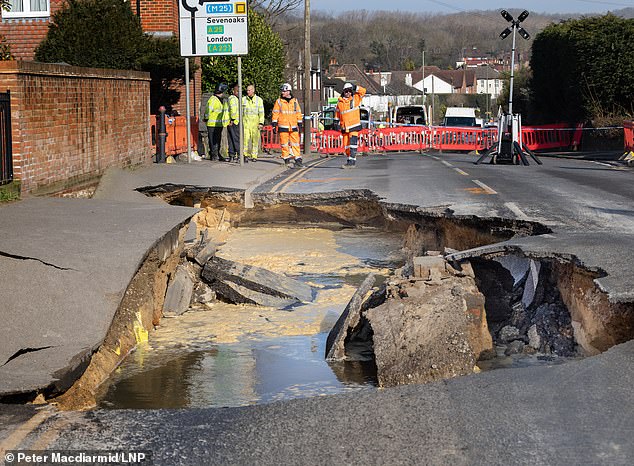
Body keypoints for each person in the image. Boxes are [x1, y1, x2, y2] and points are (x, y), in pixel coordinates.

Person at [334, 82, 366, 168]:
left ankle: (352, 161)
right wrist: (336, 123)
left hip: (354, 126)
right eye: (346, 91)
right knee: (346, 145)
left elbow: (363, 91)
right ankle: (349, 159)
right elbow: (337, 114)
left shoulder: (355, 99)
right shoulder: (339, 103)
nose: (348, 93)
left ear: (351, 91)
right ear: (343, 92)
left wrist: (356, 87)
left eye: (349, 91)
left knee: (352, 144)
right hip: (345, 128)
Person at [272, 83, 303, 168]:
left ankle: (298, 159)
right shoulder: (279, 101)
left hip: (293, 126)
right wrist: (274, 124)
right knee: (284, 144)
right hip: (283, 126)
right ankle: (286, 159)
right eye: (282, 91)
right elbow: (275, 113)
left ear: (289, 91)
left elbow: (298, 113)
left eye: (284, 91)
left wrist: (300, 124)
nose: (282, 93)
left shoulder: (295, 101)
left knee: (295, 143)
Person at [242, 84, 265, 162]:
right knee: (245, 140)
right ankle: (245, 155)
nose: (248, 92)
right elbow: (241, 112)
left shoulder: (259, 100)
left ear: (253, 90)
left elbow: (261, 113)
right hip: (246, 123)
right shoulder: (243, 99)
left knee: (255, 141)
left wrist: (261, 123)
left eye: (249, 90)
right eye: (247, 90)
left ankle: (254, 156)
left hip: (255, 124)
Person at [206, 83, 228, 161]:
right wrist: (206, 118)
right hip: (212, 124)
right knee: (213, 140)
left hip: (219, 124)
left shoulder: (220, 100)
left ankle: (217, 153)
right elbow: (208, 110)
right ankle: (213, 155)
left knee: (218, 140)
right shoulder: (213, 99)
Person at [226, 84, 241, 162]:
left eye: (239, 91)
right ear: (233, 91)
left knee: (231, 139)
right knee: (235, 139)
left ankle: (232, 155)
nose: (238, 93)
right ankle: (238, 155)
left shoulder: (236, 99)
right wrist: (232, 119)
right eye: (237, 91)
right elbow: (233, 110)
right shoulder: (233, 98)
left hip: (233, 121)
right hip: (234, 122)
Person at [198, 92, 211, 159]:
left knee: (204, 141)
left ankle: (205, 153)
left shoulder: (202, 104)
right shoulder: (210, 102)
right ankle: (206, 154)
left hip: (203, 126)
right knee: (207, 141)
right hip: (208, 126)